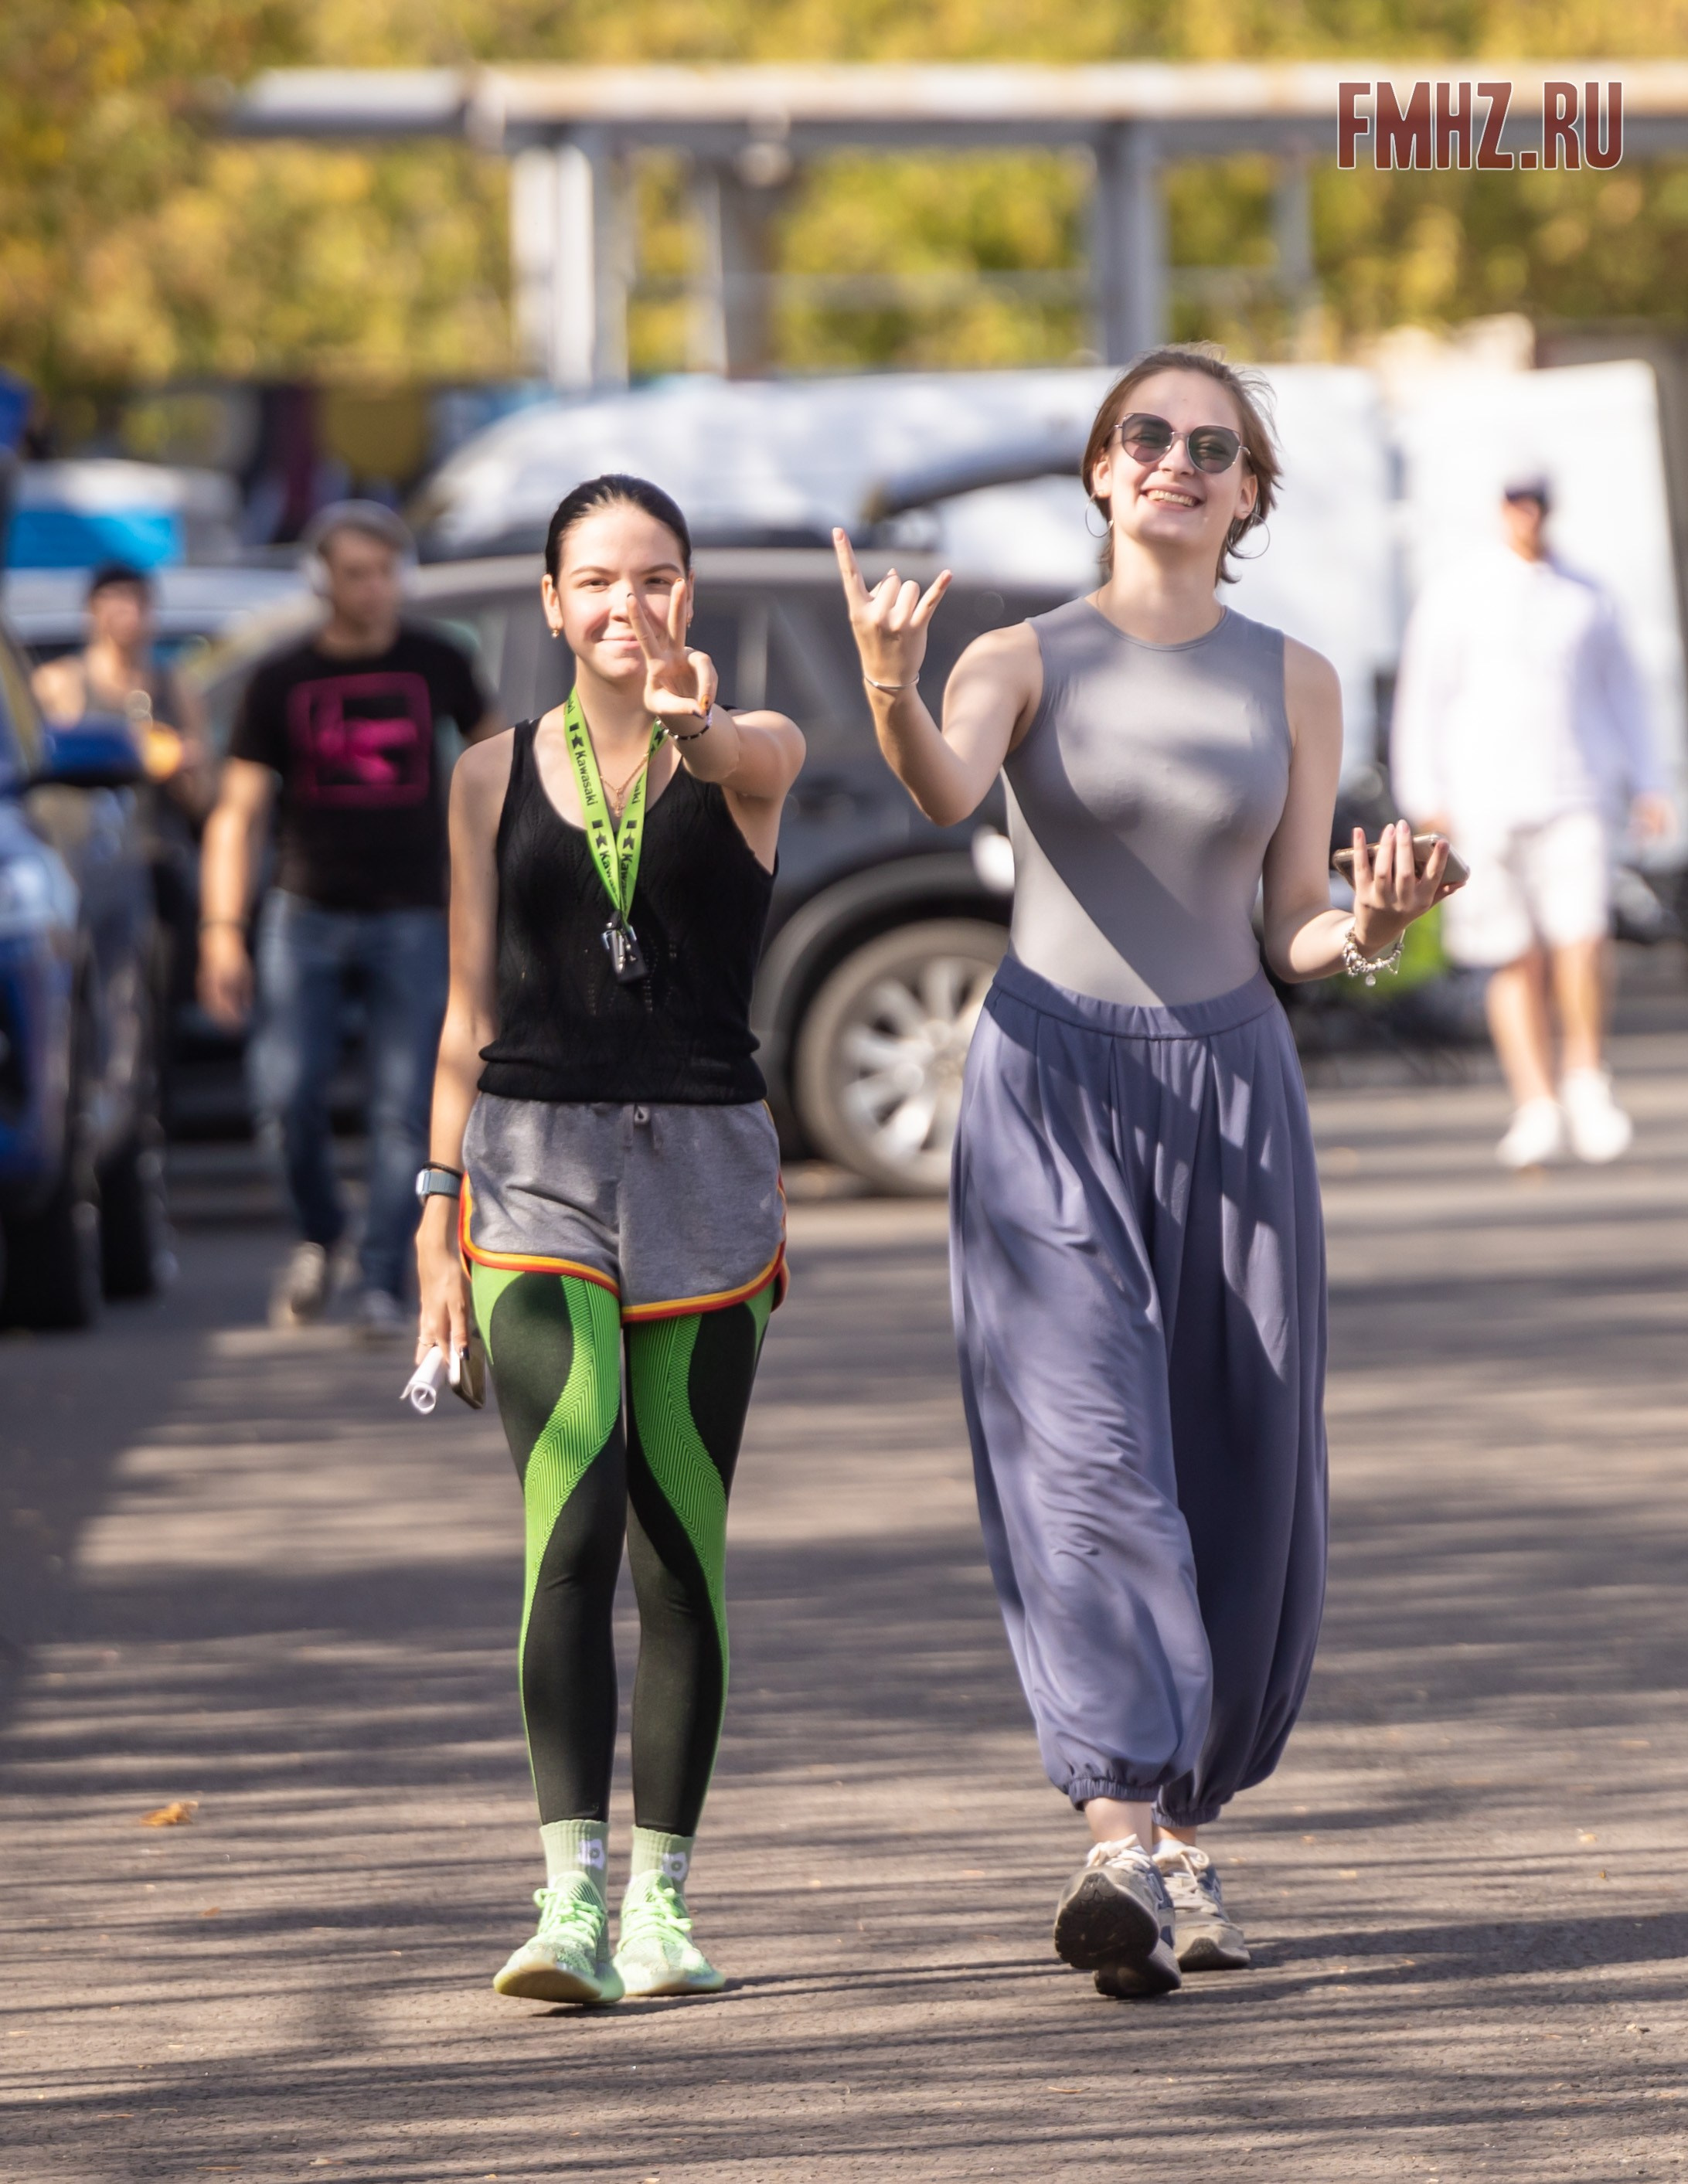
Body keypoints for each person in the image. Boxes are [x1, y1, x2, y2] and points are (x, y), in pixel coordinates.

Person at [832, 345, 1454, 2001]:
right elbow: (948, 784)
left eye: (1213, 446)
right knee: (1092, 1456)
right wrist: (892, 687)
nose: (1176, 461)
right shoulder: (1019, 655)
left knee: (1239, 1465)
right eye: (1145, 437)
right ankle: (1116, 1835)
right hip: (1050, 1087)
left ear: (1249, 494)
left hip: (1235, 1091)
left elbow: (1296, 928)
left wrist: (1381, 927)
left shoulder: (1298, 680)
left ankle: (1184, 1837)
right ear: (1102, 472)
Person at [415, 475, 804, 2005]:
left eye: (655, 579)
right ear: (551, 602)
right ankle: (565, 1892)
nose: (626, 606)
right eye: (597, 581)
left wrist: (694, 721)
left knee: (675, 1540)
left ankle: (664, 1904)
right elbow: (464, 1006)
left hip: (708, 1177)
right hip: (530, 1167)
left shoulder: (751, 752)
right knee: (567, 1518)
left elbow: (736, 746)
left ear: (688, 597)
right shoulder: (485, 773)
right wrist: (435, 1213)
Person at [198, 502, 502, 1338]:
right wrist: (221, 929)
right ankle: (319, 1234)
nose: (374, 589)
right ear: (322, 580)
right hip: (306, 915)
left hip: (414, 915)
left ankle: (379, 1278)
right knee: (283, 1096)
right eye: (355, 573)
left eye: (385, 571)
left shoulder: (438, 661)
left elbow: (499, 767)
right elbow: (237, 812)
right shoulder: (281, 679)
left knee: (407, 1106)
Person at [1392, 475, 1672, 1169]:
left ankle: (1584, 1073)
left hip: (1575, 790)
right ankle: (1535, 1099)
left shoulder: (1587, 593)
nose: (1528, 514)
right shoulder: (1457, 592)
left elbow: (1625, 695)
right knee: (1511, 951)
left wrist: (1651, 779)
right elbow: (1424, 696)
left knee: (1582, 936)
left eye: (1538, 501)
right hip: (1484, 799)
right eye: (1518, 500)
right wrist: (1423, 791)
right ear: (1500, 507)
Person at [35, 561, 217, 1087]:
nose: (129, 616)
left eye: (138, 603)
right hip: (81, 868)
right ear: (93, 611)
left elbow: (201, 800)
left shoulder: (170, 685)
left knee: (147, 1005)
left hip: (153, 862)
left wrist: (182, 762)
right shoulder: (63, 684)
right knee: (89, 1001)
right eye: (116, 602)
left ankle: (147, 1111)